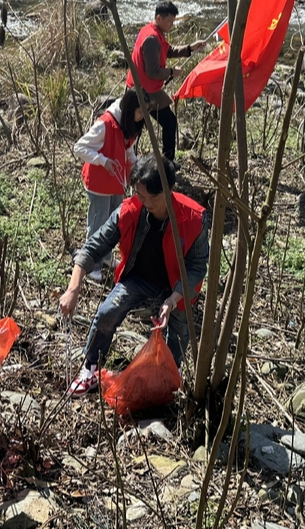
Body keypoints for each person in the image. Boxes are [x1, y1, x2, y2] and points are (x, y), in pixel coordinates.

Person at [59, 154, 209, 396]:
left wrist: (173, 300)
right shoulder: (129, 210)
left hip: (177, 287)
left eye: (154, 197)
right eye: (140, 195)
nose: (146, 202)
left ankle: (170, 376)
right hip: (139, 278)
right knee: (107, 312)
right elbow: (93, 247)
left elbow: (197, 267)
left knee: (178, 335)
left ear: (171, 189)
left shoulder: (193, 219)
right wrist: (73, 288)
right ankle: (90, 369)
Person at [73, 89, 149, 282]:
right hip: (99, 182)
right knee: (98, 224)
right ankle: (91, 264)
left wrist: (138, 169)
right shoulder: (105, 123)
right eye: (139, 112)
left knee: (113, 223)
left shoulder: (128, 125)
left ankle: (105, 257)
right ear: (130, 108)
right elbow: (80, 147)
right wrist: (102, 160)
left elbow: (128, 152)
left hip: (116, 182)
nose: (141, 117)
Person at [125, 0, 208, 161]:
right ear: (159, 19)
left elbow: (168, 50)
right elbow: (153, 71)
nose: (172, 25)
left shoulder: (154, 32)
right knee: (141, 127)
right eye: (169, 21)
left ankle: (165, 162)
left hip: (147, 90)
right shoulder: (151, 39)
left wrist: (190, 48)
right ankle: (156, 162)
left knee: (162, 123)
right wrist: (171, 72)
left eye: (173, 21)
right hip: (142, 93)